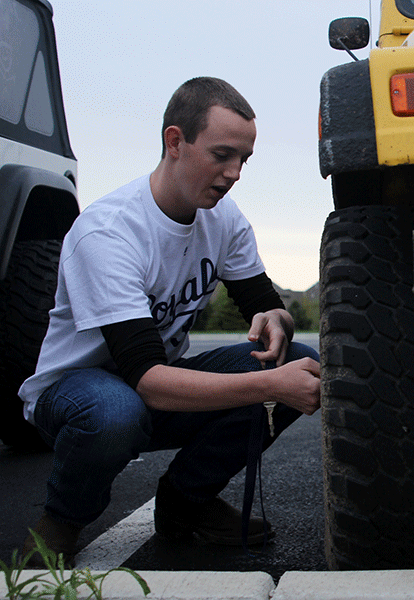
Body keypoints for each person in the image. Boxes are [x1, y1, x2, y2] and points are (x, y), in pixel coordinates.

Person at [17, 77, 321, 566]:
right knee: (115, 413)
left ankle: (185, 502)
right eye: (222, 155)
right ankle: (60, 520)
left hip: (154, 386)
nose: (235, 172)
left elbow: (266, 302)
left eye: (244, 159)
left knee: (300, 359)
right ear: (175, 141)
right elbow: (148, 381)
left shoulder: (223, 219)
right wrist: (271, 384)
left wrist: (277, 320)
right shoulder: (109, 231)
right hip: (78, 394)